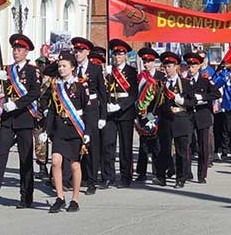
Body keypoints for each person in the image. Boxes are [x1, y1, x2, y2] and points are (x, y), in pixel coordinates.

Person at [0, 34, 41, 209]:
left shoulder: (32, 70)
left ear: (26, 52)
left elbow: (35, 93)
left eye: (19, 49)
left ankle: (26, 197)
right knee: (1, 154)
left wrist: (17, 104)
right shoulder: (7, 69)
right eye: (14, 49)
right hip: (8, 119)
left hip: (24, 117)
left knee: (25, 158)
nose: (16, 52)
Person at [41, 52, 88, 213]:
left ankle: (75, 199)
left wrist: (88, 131)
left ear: (72, 68)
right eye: (59, 66)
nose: (61, 69)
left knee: (74, 164)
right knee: (55, 161)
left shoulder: (81, 85)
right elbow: (53, 110)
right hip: (60, 128)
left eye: (64, 66)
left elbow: (88, 109)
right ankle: (60, 197)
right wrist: (47, 130)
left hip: (75, 129)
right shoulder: (56, 87)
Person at [152, 52, 195, 188]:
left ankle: (180, 178)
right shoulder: (160, 84)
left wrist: (183, 101)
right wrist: (150, 118)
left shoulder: (185, 83)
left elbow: (192, 101)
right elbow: (155, 103)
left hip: (181, 120)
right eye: (166, 66)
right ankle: (161, 177)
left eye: (170, 66)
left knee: (181, 151)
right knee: (162, 150)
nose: (168, 69)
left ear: (176, 66)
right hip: (165, 121)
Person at [71, 37, 107, 195]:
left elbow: (102, 93)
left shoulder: (95, 68)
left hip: (92, 111)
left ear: (87, 52)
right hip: (75, 111)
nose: (77, 54)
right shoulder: (71, 67)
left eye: (80, 51)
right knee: (76, 145)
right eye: (75, 51)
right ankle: (80, 177)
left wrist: (103, 116)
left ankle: (92, 181)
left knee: (92, 147)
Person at [103, 39, 138, 188]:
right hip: (110, 110)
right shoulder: (109, 71)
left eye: (120, 54)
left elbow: (133, 94)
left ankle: (125, 176)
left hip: (125, 112)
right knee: (108, 144)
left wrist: (120, 106)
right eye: (115, 54)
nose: (117, 57)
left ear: (125, 55)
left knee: (125, 146)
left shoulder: (131, 72)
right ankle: (108, 176)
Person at [184, 52, 221, 183]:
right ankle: (187, 172)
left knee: (203, 147)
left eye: (193, 65)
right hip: (188, 116)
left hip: (202, 115)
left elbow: (216, 94)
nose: (191, 68)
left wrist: (203, 97)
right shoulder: (183, 81)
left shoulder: (205, 80)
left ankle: (201, 174)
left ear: (199, 66)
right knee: (186, 145)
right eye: (189, 65)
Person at [135, 47, 165, 182]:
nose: (146, 64)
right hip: (144, 114)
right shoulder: (141, 77)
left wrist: (154, 116)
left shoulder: (160, 77)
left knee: (157, 146)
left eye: (148, 61)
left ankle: (158, 173)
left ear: (154, 62)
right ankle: (141, 173)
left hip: (156, 116)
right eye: (144, 61)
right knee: (143, 145)